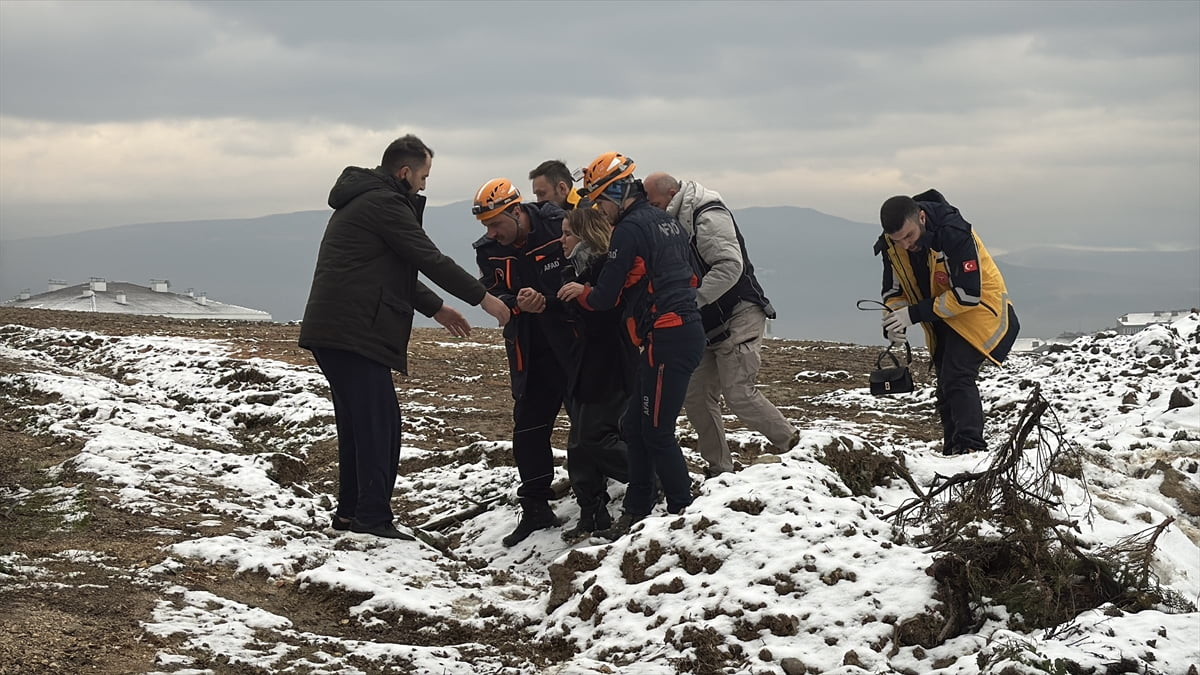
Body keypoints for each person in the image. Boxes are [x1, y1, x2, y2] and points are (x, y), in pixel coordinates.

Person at [299, 134, 510, 540]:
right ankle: (373, 519)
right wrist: (484, 299)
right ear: (404, 172)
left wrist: (437, 308)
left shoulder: (365, 200)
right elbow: (426, 256)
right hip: (353, 329)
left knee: (360, 423)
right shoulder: (384, 203)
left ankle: (351, 514)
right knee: (380, 425)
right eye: (424, 176)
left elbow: (389, 267)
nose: (425, 185)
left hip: (338, 328)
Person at [558, 152, 703, 538]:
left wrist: (583, 291)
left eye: (600, 200)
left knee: (656, 431)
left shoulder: (629, 230)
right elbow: (693, 276)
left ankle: (681, 514)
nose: (598, 211)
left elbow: (604, 297)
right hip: (678, 331)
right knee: (636, 428)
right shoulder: (665, 221)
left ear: (619, 191)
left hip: (667, 336)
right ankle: (636, 511)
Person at [644, 172, 799, 477]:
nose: (653, 209)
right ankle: (720, 469)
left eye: (655, 202)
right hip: (704, 323)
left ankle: (793, 446)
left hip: (738, 314)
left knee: (739, 392)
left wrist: (690, 300)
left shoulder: (707, 215)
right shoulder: (672, 221)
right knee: (697, 395)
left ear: (672, 193)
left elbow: (730, 266)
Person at [472, 178, 577, 546]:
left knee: (587, 418)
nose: (492, 232)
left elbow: (584, 272)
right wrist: (517, 301)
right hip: (528, 347)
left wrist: (547, 299)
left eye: (496, 223)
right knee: (529, 426)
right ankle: (535, 506)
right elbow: (492, 292)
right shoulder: (488, 249)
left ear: (517, 211)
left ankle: (595, 499)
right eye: (486, 226)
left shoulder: (559, 223)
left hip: (572, 339)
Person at [876, 189, 1020, 456]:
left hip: (979, 314)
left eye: (909, 236)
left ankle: (971, 448)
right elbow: (894, 291)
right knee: (944, 386)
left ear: (921, 217)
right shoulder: (891, 245)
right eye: (898, 240)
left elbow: (968, 295)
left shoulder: (954, 233)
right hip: (940, 316)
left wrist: (913, 314)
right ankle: (952, 451)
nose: (906, 245)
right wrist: (894, 320)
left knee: (957, 377)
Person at [558, 207, 633, 540]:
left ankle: (651, 477)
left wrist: (582, 295)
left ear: (585, 235)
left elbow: (608, 314)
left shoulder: (605, 268)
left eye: (567, 234)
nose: (560, 240)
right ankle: (592, 512)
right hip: (583, 364)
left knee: (594, 436)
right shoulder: (573, 269)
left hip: (609, 364)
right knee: (578, 442)